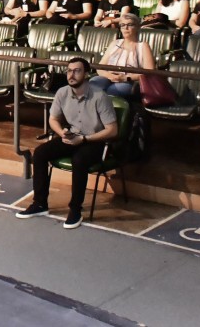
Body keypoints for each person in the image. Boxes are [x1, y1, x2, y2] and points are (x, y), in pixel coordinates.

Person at [16, 56, 117, 229]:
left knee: (79, 160)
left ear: (86, 74)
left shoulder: (100, 96)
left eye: (77, 71)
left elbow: (113, 130)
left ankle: (75, 210)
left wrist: (84, 139)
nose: (71, 75)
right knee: (40, 153)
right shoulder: (62, 92)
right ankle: (40, 204)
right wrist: (61, 132)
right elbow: (53, 119)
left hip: (94, 140)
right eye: (69, 71)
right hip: (72, 135)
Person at [89, 13, 156, 98]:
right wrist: (110, 76)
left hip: (130, 81)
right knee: (93, 85)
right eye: (123, 25)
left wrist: (125, 78)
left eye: (130, 25)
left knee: (112, 91)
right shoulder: (115, 43)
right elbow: (100, 67)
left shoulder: (143, 46)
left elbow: (149, 72)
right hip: (109, 76)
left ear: (137, 27)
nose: (126, 28)